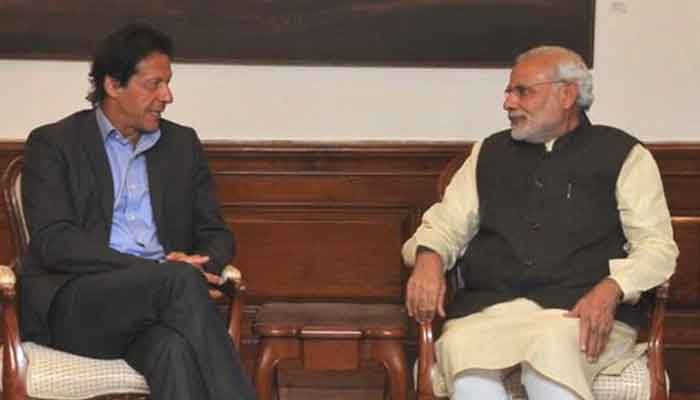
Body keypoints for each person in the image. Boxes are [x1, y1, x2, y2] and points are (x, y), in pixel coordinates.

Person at [402, 46, 678, 400]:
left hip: (577, 315)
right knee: (467, 363)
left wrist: (613, 287)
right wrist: (428, 257)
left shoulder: (624, 155)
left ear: (567, 95)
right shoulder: (488, 153)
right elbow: (446, 223)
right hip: (490, 312)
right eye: (509, 92)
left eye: (522, 91)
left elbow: (657, 247)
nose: (508, 103)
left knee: (550, 356)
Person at [19, 24, 256, 400]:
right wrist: (156, 270)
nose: (167, 96)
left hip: (161, 306)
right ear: (113, 85)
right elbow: (54, 242)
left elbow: (215, 232)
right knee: (176, 281)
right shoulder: (54, 144)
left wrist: (200, 264)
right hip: (78, 305)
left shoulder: (181, 145)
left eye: (168, 82)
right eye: (154, 84)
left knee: (172, 350)